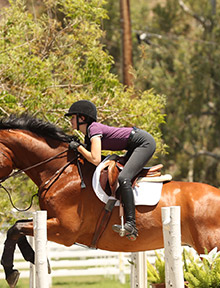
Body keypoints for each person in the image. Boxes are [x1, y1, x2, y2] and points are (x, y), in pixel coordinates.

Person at [65, 100, 156, 241]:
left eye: (72, 117)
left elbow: (94, 159)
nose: (70, 121)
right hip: (133, 146)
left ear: (82, 118)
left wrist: (78, 147)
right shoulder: (89, 136)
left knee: (124, 178)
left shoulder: (93, 129)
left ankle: (131, 224)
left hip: (144, 143)